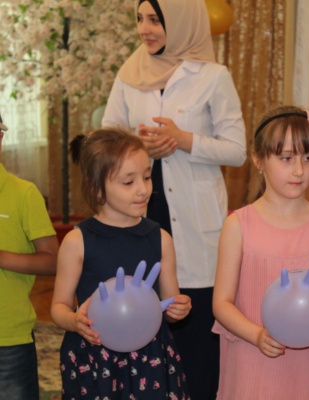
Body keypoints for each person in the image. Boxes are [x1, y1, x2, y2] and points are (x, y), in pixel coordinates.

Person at [102, 0, 246, 397]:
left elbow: (237, 150)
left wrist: (185, 140)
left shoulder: (213, 76)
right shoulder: (129, 74)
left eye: (155, 20)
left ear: (181, 22)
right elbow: (107, 141)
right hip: (139, 219)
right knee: (141, 332)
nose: (144, 29)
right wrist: (138, 145)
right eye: (139, 19)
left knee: (196, 342)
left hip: (195, 229)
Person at [212, 106, 309, 399]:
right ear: (258, 159)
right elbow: (222, 303)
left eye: (308, 158)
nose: (299, 170)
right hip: (254, 360)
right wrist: (257, 335)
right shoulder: (238, 225)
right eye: (286, 158)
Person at [50, 129, 192, 399]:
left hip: (150, 356)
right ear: (96, 188)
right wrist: (74, 321)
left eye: (147, 177)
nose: (143, 189)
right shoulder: (77, 241)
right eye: (128, 182)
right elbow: (58, 307)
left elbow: (169, 304)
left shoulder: (161, 239)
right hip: (95, 355)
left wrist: (178, 309)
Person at [0, 112, 58, 400]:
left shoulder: (24, 193)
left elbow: (52, 260)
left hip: (9, 338)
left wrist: (1, 257)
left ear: (0, 137)